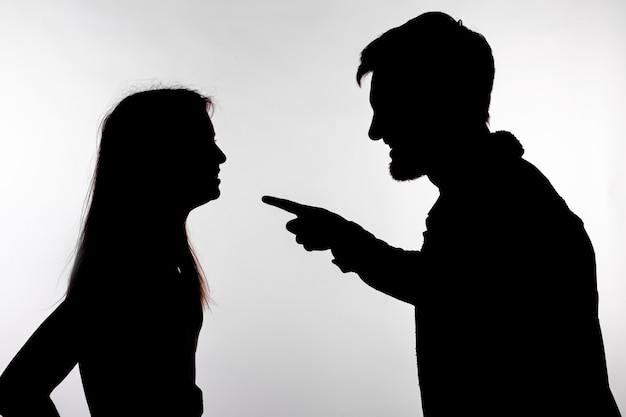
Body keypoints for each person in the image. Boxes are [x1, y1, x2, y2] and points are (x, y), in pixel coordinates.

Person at [263, 12, 622, 416]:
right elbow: (452, 280)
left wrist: (347, 240)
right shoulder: (494, 196)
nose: (375, 131)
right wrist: (346, 239)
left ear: (438, 103)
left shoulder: (506, 200)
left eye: (388, 109)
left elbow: (450, 286)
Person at [0, 87, 226, 416]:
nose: (219, 156)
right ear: (159, 155)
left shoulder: (157, 269)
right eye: (203, 141)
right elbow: (16, 389)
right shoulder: (123, 277)